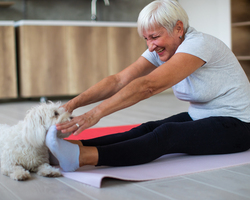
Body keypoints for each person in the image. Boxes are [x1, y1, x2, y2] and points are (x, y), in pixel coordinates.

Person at [46, 0, 250, 172]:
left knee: (167, 134)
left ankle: (81, 157)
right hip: (204, 117)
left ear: (178, 28)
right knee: (148, 128)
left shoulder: (199, 44)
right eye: (146, 39)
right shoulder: (163, 48)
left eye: (154, 37)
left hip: (238, 126)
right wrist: (70, 106)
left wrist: (94, 114)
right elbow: (119, 80)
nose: (151, 46)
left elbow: (148, 86)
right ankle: (71, 146)